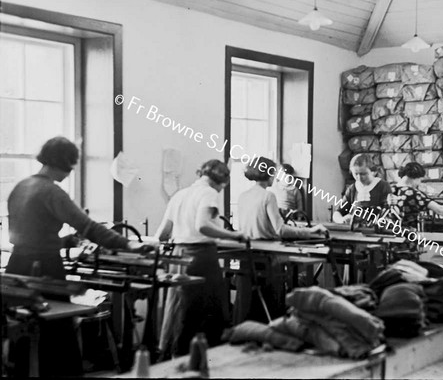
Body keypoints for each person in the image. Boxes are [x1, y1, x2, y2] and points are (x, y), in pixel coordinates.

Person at [6, 136, 155, 377]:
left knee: (24, 332)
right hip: (43, 268)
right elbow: (89, 227)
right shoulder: (52, 191)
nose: (71, 171)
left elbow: (29, 231)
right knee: (58, 333)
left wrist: (63, 241)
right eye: (71, 165)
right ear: (64, 162)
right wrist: (129, 244)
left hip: (17, 265)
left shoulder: (21, 186)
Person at [155, 159, 248, 356]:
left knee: (180, 312)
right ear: (221, 182)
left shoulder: (180, 194)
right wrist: (235, 235)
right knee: (205, 312)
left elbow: (163, 234)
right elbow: (203, 225)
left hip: (177, 257)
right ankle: (201, 360)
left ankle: (174, 357)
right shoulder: (209, 193)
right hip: (200, 258)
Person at [235, 156, 327, 323]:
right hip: (267, 256)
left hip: (247, 255)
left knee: (249, 303)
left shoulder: (243, 196)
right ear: (268, 174)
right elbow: (281, 229)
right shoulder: (268, 196)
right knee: (274, 300)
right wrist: (311, 231)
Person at [387, 162, 443, 229]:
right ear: (416, 177)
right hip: (407, 237)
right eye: (420, 180)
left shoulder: (390, 190)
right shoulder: (413, 193)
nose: (419, 183)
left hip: (389, 236)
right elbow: (440, 209)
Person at [332, 153, 392, 224]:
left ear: (373, 172)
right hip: (355, 231)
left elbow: (388, 212)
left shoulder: (383, 186)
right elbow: (338, 212)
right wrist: (341, 219)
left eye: (363, 174)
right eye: (356, 174)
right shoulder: (352, 189)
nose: (360, 178)